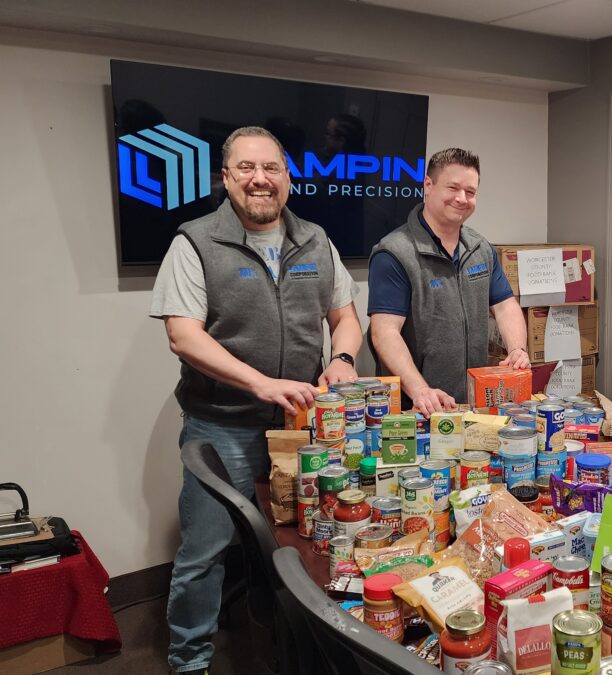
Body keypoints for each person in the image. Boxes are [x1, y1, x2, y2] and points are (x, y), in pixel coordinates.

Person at [150, 126, 363, 674]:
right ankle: (190, 659)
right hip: (223, 427)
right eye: (246, 168)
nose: (260, 179)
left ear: (288, 178)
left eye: (270, 168)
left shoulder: (316, 239)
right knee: (206, 551)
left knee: (303, 541)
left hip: (302, 426)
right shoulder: (194, 241)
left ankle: (293, 646)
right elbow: (183, 334)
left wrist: (341, 359)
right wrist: (259, 382)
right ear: (226, 178)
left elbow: (344, 316)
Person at [367, 147, 529, 416]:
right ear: (428, 186)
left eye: (471, 192)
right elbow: (384, 332)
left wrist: (517, 349)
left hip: (474, 402)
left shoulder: (480, 248)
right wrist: (420, 390)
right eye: (453, 187)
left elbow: (505, 305)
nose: (462, 198)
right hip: (418, 408)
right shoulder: (394, 252)